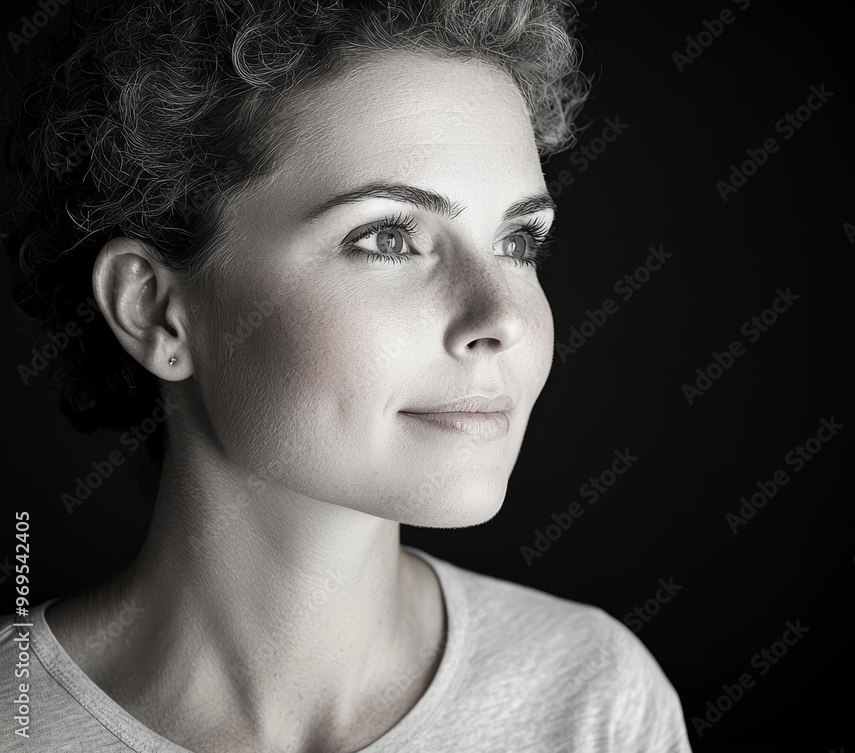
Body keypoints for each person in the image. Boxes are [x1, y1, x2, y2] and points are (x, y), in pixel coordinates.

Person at [0, 1, 692, 750]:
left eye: (518, 241)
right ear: (156, 311)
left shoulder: (595, 701)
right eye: (389, 237)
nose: (504, 317)